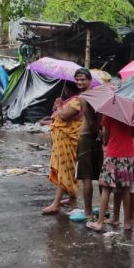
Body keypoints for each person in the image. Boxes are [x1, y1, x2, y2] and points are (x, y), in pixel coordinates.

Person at [86, 115, 134, 232]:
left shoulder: (109, 116)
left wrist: (102, 135)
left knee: (106, 188)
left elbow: (106, 140)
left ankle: (99, 222)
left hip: (113, 155)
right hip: (128, 155)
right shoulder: (132, 116)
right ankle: (126, 222)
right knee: (126, 189)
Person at [41, 81, 83, 214]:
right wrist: (57, 107)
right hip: (62, 141)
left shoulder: (77, 101)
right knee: (67, 170)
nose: (64, 91)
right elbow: (58, 116)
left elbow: (64, 116)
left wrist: (59, 106)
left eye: (66, 88)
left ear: (69, 90)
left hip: (69, 141)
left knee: (64, 170)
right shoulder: (69, 101)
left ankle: (56, 203)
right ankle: (72, 199)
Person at [74, 68, 102, 218]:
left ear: (90, 80)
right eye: (77, 79)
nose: (79, 82)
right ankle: (103, 209)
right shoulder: (98, 95)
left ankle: (88, 211)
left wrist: (96, 131)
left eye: (83, 79)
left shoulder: (84, 97)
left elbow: (90, 119)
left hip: (86, 137)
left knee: (86, 178)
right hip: (98, 136)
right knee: (101, 176)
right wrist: (100, 132)